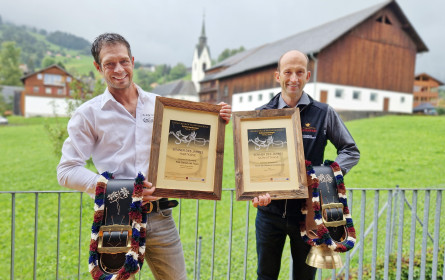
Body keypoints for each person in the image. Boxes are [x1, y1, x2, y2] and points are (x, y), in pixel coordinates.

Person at [57, 33, 232, 280]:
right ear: (98, 67)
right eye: (109, 63)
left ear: (133, 61)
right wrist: (121, 189)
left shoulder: (161, 105)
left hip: (161, 215)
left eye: (123, 61)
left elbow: (191, 145)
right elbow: (66, 171)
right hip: (117, 215)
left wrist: (216, 119)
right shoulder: (88, 114)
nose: (118, 69)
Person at [252, 50, 360, 280]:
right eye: (288, 72)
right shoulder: (261, 115)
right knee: (265, 275)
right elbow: (253, 164)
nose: (294, 78)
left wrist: (325, 177)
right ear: (277, 76)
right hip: (269, 214)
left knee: (304, 277)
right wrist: (254, 190)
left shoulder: (324, 113)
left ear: (308, 75)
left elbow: (350, 150)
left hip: (309, 214)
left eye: (299, 72)